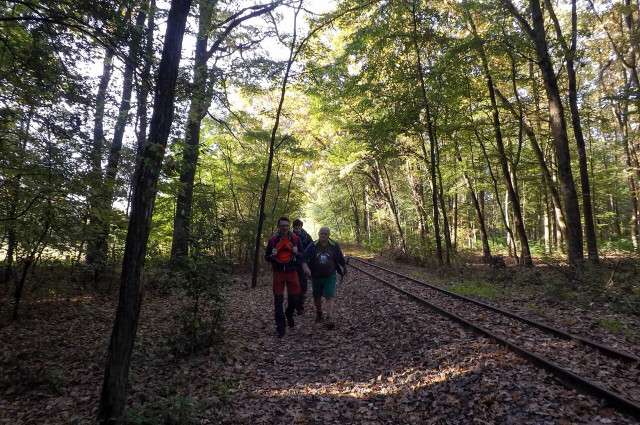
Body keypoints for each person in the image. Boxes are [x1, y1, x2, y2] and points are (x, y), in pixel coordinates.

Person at [301, 226, 347, 330]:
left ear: (329, 235)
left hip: (330, 275)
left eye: (325, 234)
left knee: (329, 296)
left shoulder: (334, 245)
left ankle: (329, 317)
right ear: (318, 234)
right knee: (316, 296)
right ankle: (319, 312)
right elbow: (304, 257)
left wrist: (344, 267)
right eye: (322, 233)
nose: (323, 235)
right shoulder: (313, 245)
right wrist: (305, 267)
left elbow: (340, 257)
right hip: (316, 276)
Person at [265, 217, 303, 337]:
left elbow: (303, 255)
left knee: (294, 300)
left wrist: (297, 253)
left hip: (292, 271)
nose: (285, 228)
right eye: (282, 226)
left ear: (289, 226)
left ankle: (289, 313)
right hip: (278, 272)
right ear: (278, 226)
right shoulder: (272, 240)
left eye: (286, 226)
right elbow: (266, 257)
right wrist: (272, 255)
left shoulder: (295, 239)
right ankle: (281, 328)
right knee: (278, 301)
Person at [292, 219, 313, 315]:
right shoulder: (289, 237)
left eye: (299, 228)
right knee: (294, 286)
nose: (297, 230)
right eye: (296, 228)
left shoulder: (307, 237)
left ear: (301, 227)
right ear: (293, 228)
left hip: (303, 264)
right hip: (292, 265)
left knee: (303, 286)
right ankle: (295, 306)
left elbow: (312, 248)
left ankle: (300, 305)